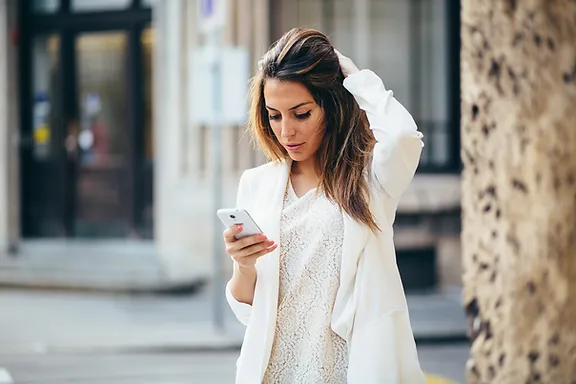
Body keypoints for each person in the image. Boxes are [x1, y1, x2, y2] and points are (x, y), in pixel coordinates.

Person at [223, 28, 426, 384]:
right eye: (275, 115)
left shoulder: (369, 181)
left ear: (330, 107)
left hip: (348, 370)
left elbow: (403, 137)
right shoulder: (256, 185)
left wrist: (355, 79)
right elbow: (246, 311)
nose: (287, 132)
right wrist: (244, 264)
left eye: (301, 114)